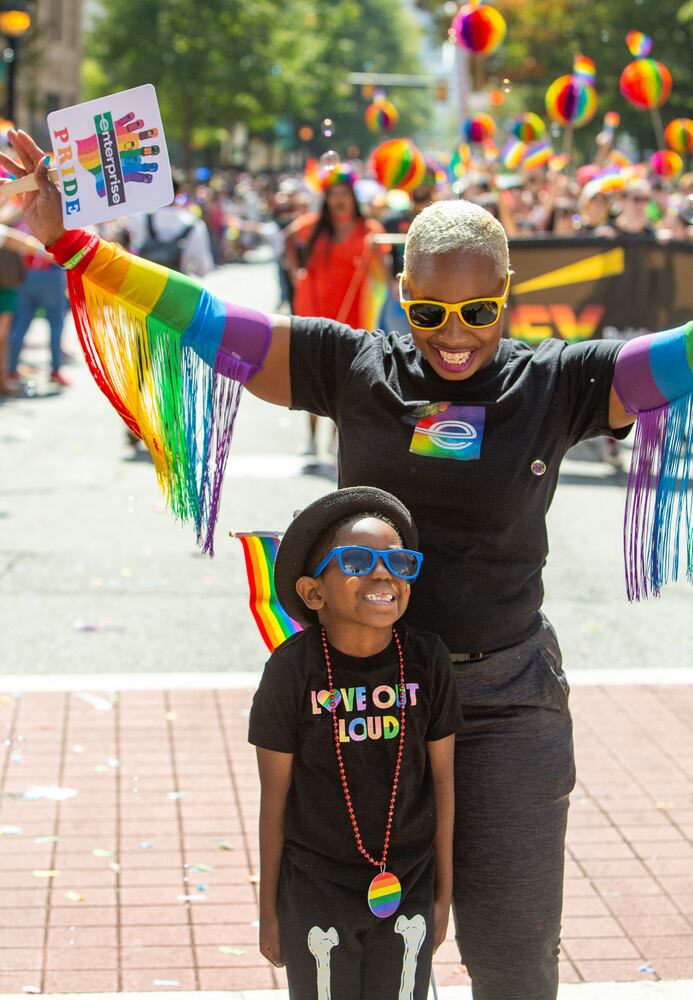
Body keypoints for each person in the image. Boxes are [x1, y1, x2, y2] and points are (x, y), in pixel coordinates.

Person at [4, 128, 692, 1000]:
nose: (454, 336)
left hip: (501, 705)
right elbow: (216, 322)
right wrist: (75, 246)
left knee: (513, 961)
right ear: (398, 294)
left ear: (507, 296)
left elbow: (678, 354)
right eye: (430, 311)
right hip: (362, 698)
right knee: (368, 965)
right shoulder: (354, 367)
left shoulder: (558, 383)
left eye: (478, 312)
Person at [249, 486, 459, 998]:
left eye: (398, 561)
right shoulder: (291, 671)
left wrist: (442, 895)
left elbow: (444, 783)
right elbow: (273, 802)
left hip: (408, 884)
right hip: (314, 892)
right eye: (359, 560)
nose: (383, 574)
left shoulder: (428, 660)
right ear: (314, 593)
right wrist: (270, 913)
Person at [284, 163, 389, 455]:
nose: (339, 200)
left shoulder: (370, 229)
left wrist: (375, 251)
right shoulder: (313, 225)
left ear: (353, 197)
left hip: (351, 314)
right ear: (326, 198)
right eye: (333, 194)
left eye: (344, 194)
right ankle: (311, 439)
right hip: (315, 310)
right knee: (313, 377)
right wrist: (296, 273)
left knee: (342, 379)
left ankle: (335, 439)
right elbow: (288, 238)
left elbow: (383, 275)